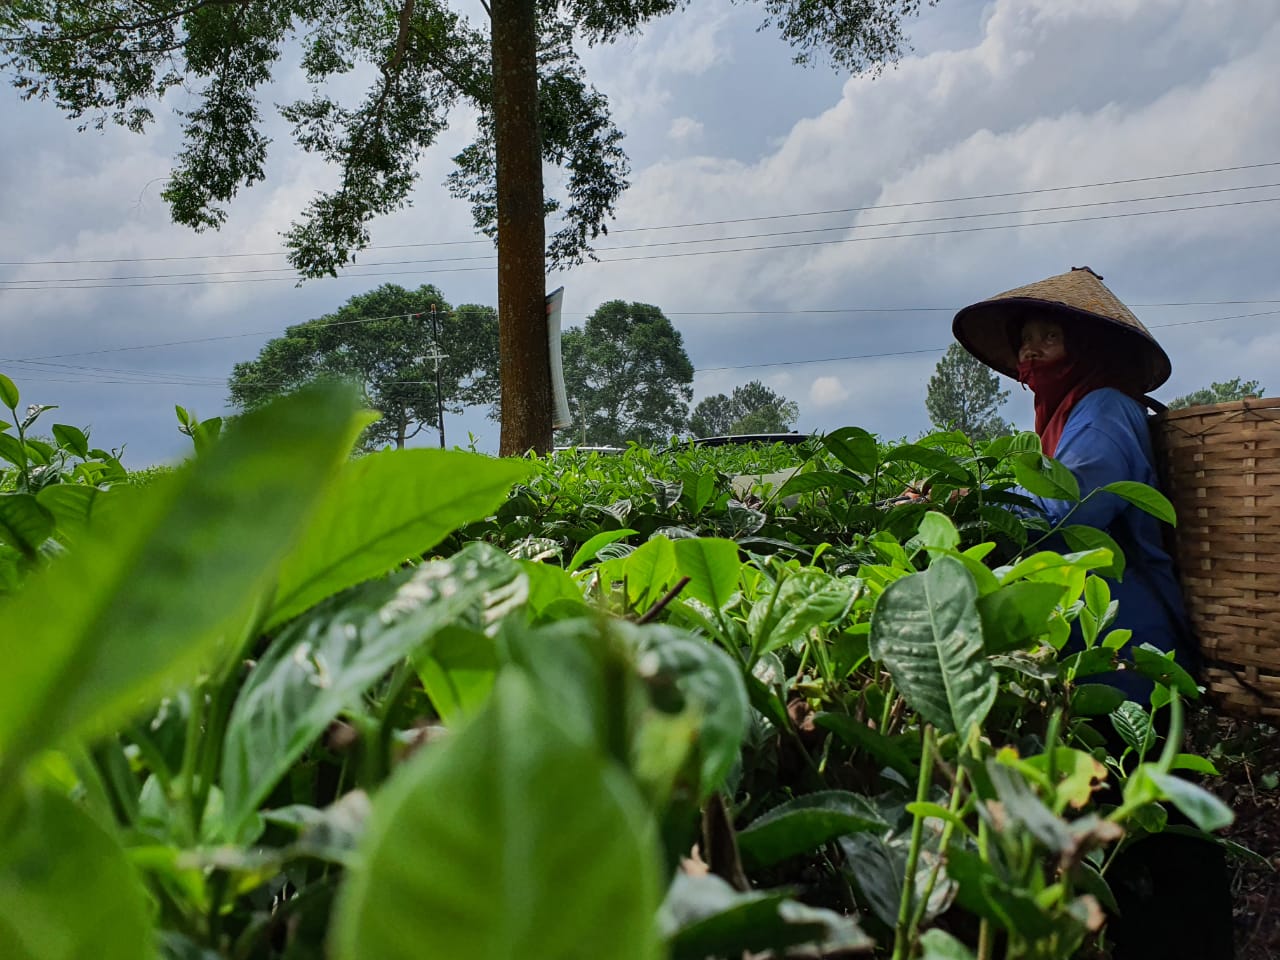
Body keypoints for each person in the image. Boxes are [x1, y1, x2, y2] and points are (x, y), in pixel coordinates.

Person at [952, 266, 1234, 960]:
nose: (1031, 354)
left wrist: (972, 506)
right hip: (1102, 648)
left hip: (1132, 649)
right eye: (1026, 341)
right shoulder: (1069, 416)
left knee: (1150, 823)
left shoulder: (1104, 408)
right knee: (1130, 820)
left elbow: (1073, 511)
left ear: (1086, 347)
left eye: (1050, 338)